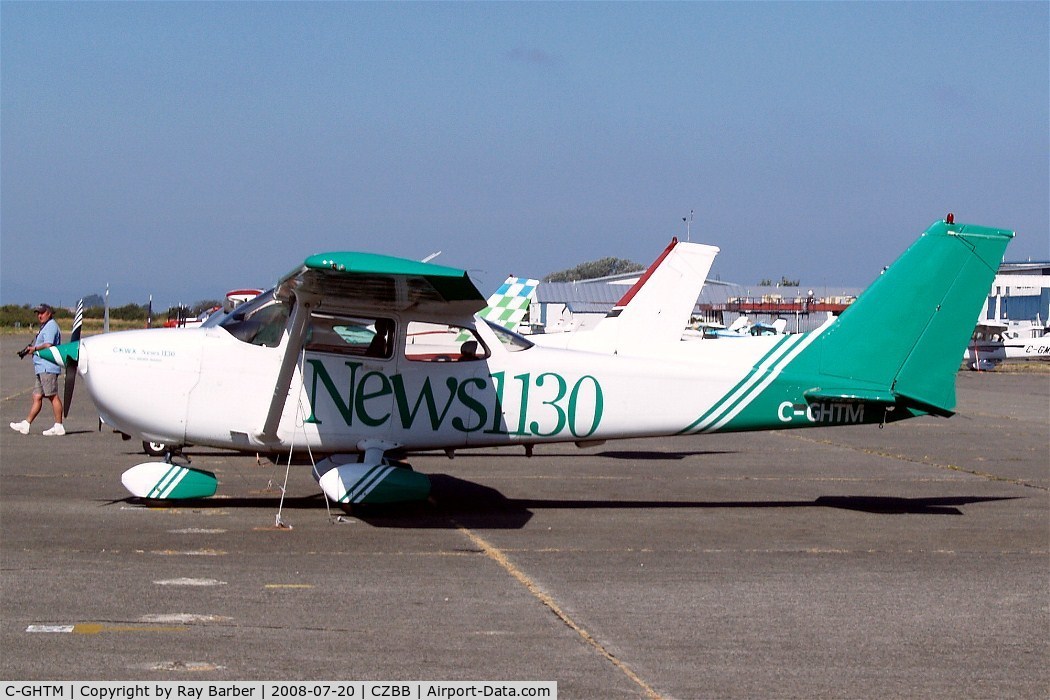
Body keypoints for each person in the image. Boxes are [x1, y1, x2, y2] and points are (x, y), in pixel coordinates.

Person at [10, 303, 65, 436]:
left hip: (48, 366)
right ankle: (26, 424)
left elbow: (48, 344)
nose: (39, 315)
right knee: (37, 396)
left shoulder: (51, 326)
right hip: (41, 367)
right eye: (38, 313)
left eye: (42, 313)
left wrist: (34, 349)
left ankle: (59, 426)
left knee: (52, 395)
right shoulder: (45, 326)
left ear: (49, 313)